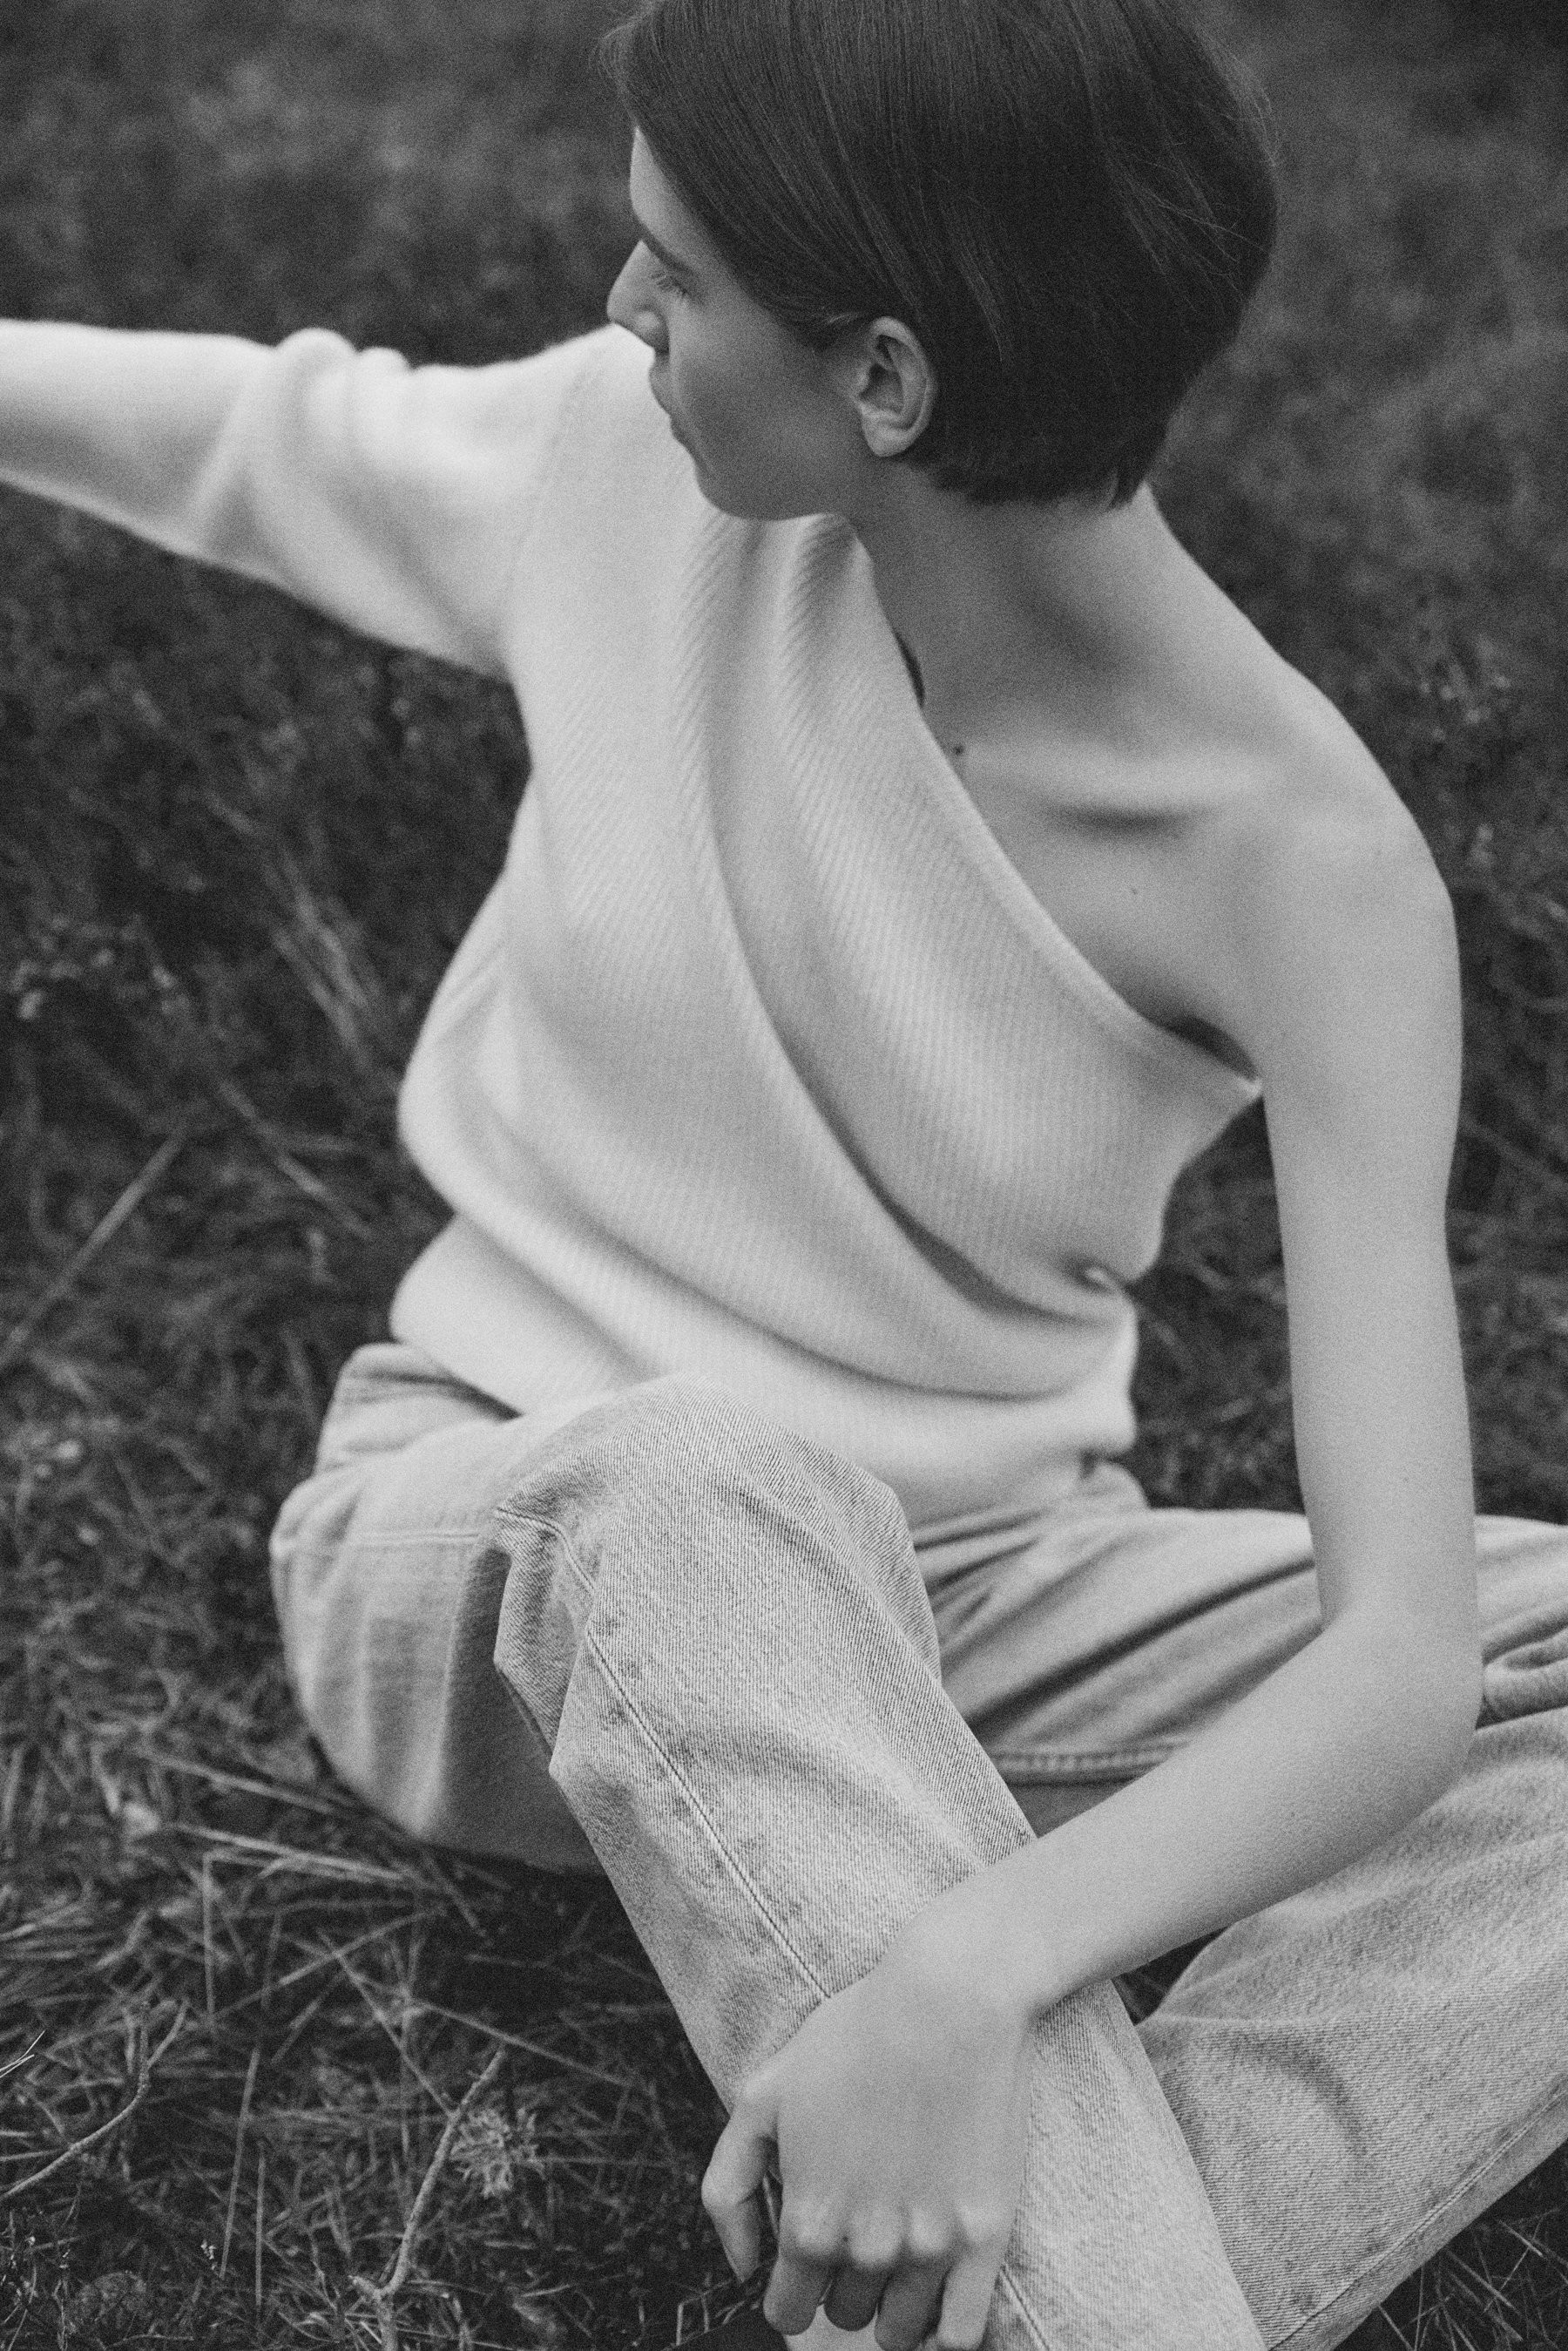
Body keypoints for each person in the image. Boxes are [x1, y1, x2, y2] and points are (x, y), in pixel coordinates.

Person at [3, 0, 1567, 2343]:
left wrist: (968, 1967)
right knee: (710, 1475)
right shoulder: (610, 477)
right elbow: (260, 426)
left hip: (982, 1588)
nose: (621, 311)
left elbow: (1401, 1661)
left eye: (677, 274)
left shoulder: (1306, 872)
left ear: (892, 385)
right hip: (525, 1525)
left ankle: (1048, 2246)